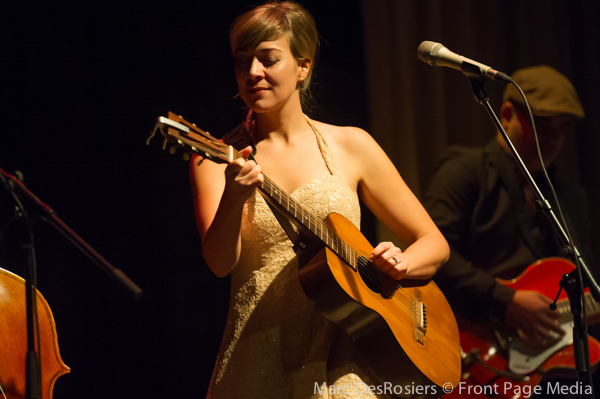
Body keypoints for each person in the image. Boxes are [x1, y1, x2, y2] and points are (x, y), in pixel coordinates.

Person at [189, 1, 450, 398]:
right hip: (261, 355)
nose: (253, 73)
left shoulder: (353, 145)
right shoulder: (214, 159)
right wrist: (233, 198)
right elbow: (220, 265)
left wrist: (400, 263)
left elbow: (435, 244)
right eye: (243, 62)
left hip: (349, 354)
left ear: (303, 67)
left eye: (268, 59)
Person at [423, 66, 594, 388]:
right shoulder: (465, 170)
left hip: (550, 369)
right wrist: (506, 300)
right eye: (543, 125)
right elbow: (433, 253)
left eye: (563, 128)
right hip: (473, 349)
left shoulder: (571, 198)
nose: (554, 139)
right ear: (506, 114)